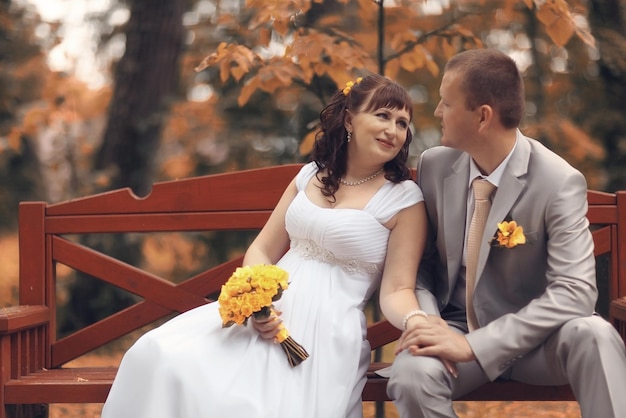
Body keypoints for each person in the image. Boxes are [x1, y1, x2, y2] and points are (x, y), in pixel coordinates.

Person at [101, 73, 429, 418]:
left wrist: (417, 320)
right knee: (158, 354)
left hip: (325, 333)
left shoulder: (404, 200)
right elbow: (260, 250)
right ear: (349, 119)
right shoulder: (310, 177)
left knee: (247, 407)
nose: (393, 130)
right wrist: (259, 306)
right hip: (266, 316)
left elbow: (397, 288)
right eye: (383, 116)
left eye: (402, 122)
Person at [385, 48, 626, 418]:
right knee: (411, 375)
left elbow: (576, 291)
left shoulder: (558, 181)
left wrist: (477, 345)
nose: (437, 112)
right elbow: (422, 265)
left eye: (446, 103)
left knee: (595, 334)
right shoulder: (435, 166)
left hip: (537, 343)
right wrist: (431, 326)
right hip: (455, 331)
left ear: (482, 117)